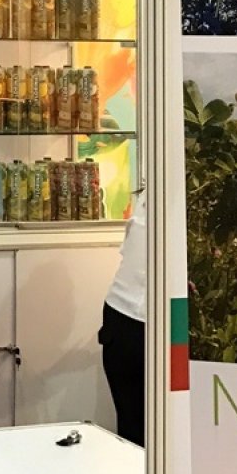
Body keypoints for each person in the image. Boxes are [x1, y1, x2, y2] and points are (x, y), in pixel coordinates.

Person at [99, 190, 145, 447]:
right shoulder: (178, 194)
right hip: (142, 322)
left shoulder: (150, 194)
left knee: (133, 432)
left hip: (120, 314)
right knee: (147, 434)